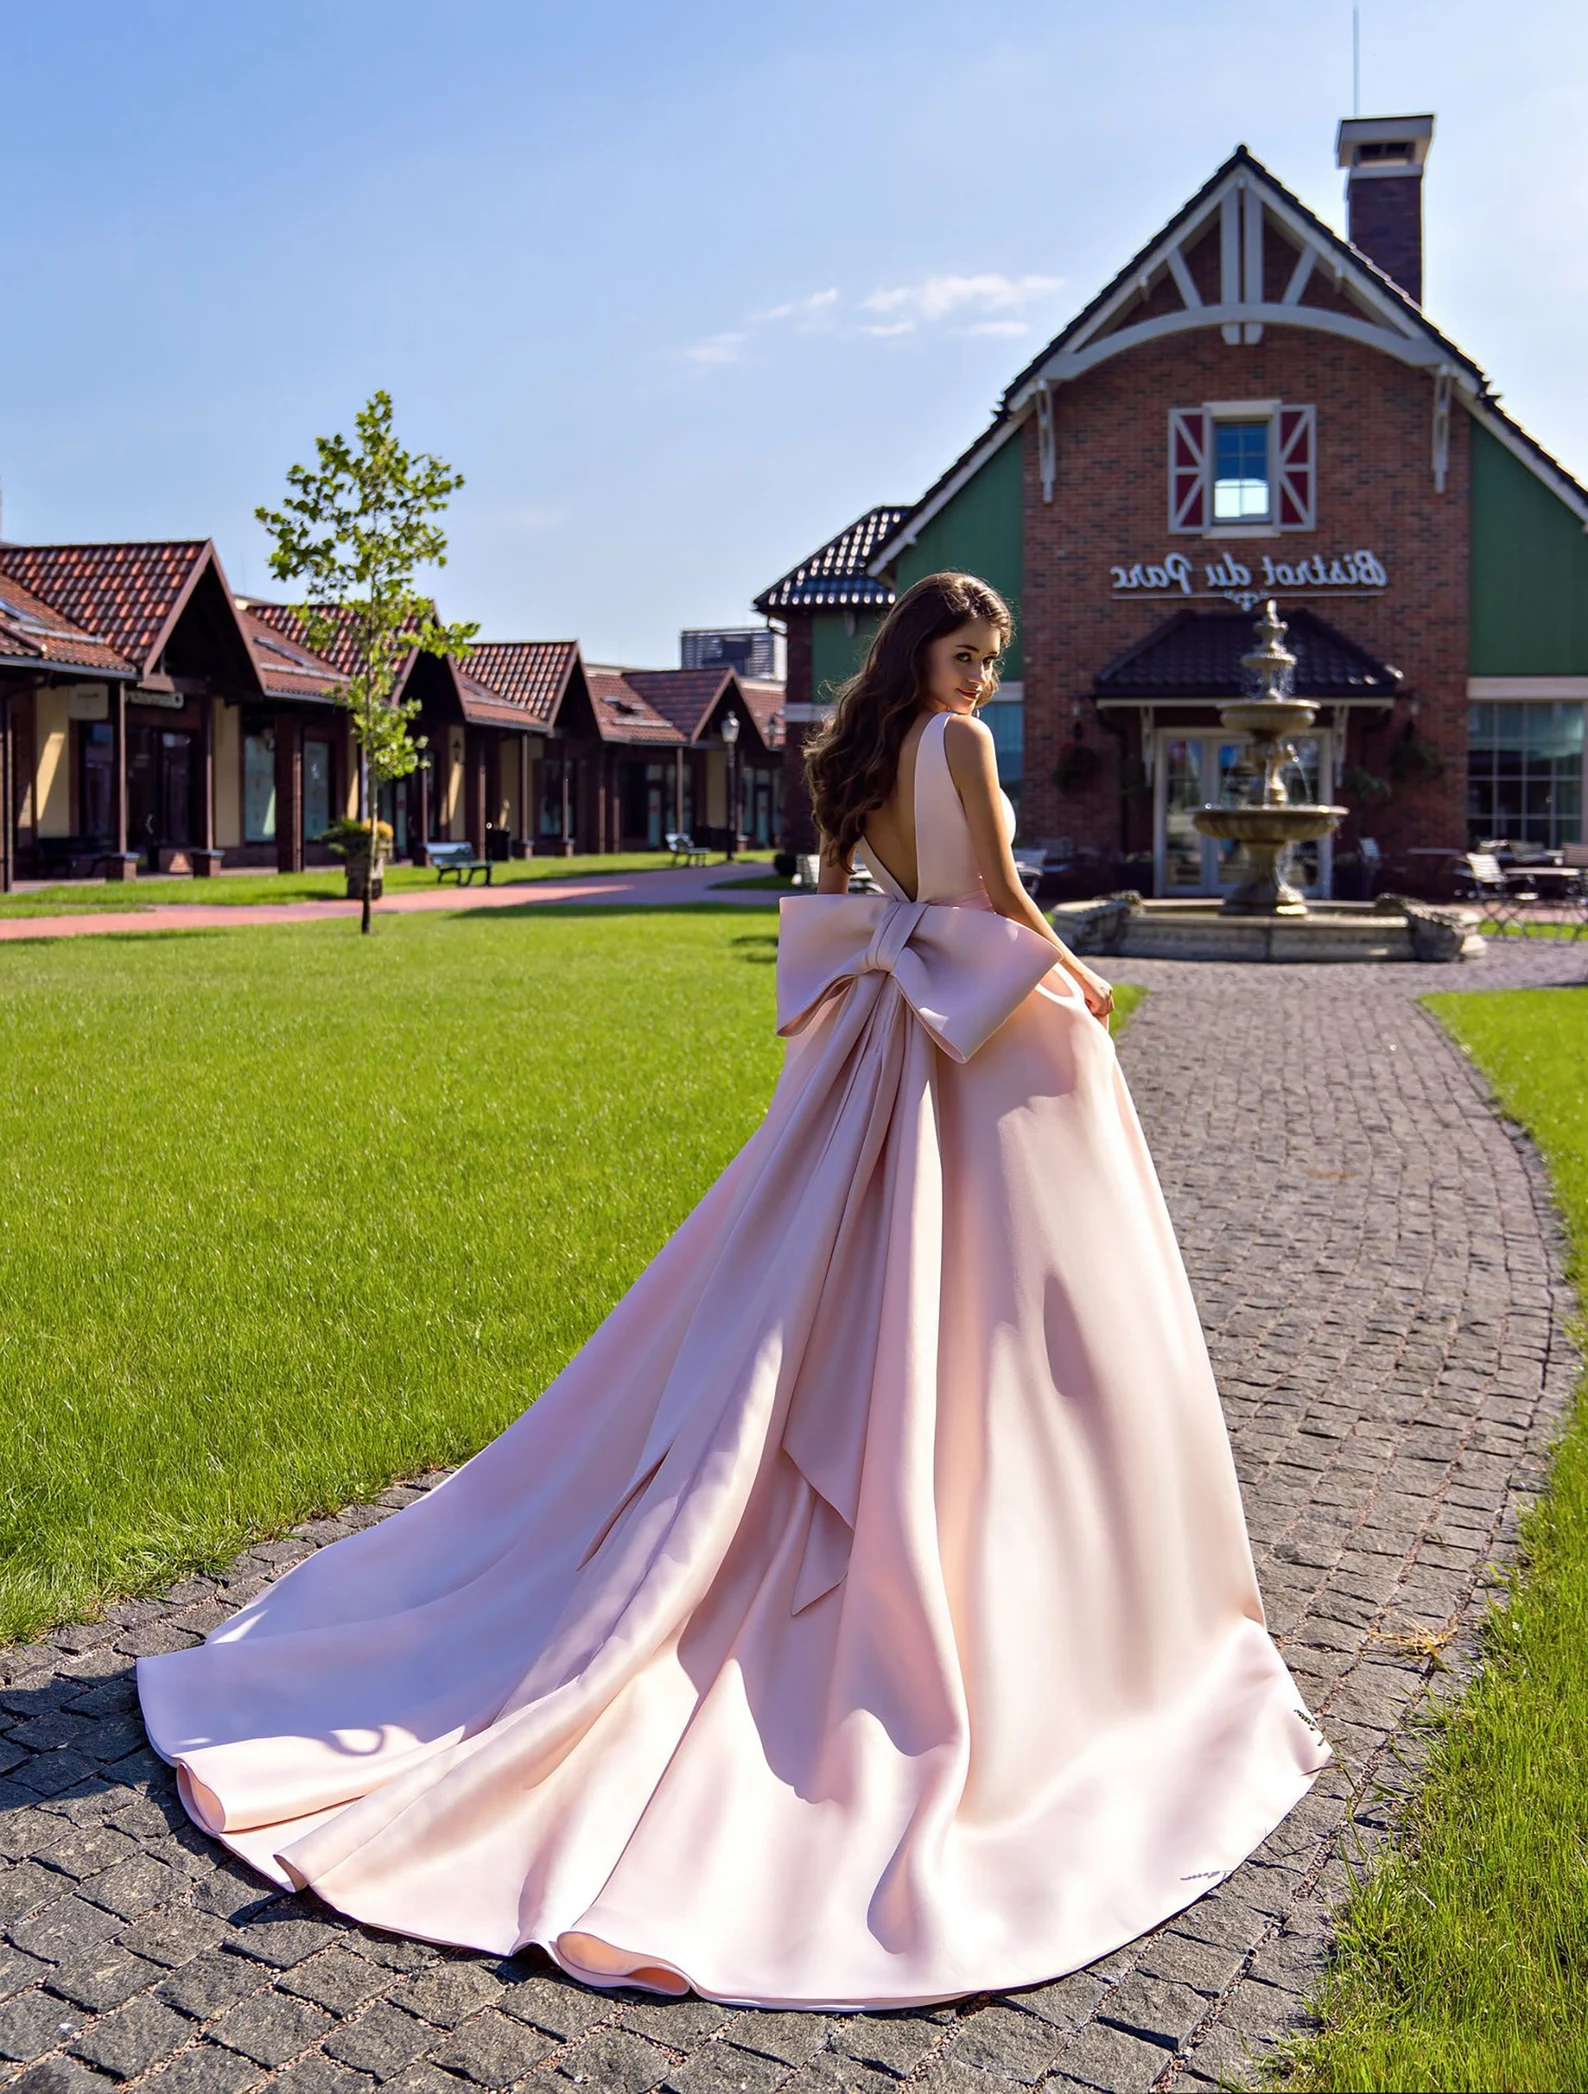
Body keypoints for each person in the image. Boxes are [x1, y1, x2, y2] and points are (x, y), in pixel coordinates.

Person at [138, 571, 1331, 2013]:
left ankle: (885, 1488)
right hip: (978, 1032)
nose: (978, 680)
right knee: (1015, 1306)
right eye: (965, 654)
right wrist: (1070, 971)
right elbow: (998, 895)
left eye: (986, 660)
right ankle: (1013, 1561)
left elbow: (857, 893)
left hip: (890, 1027)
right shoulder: (953, 744)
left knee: (844, 1276)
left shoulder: (868, 750)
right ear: (927, 653)